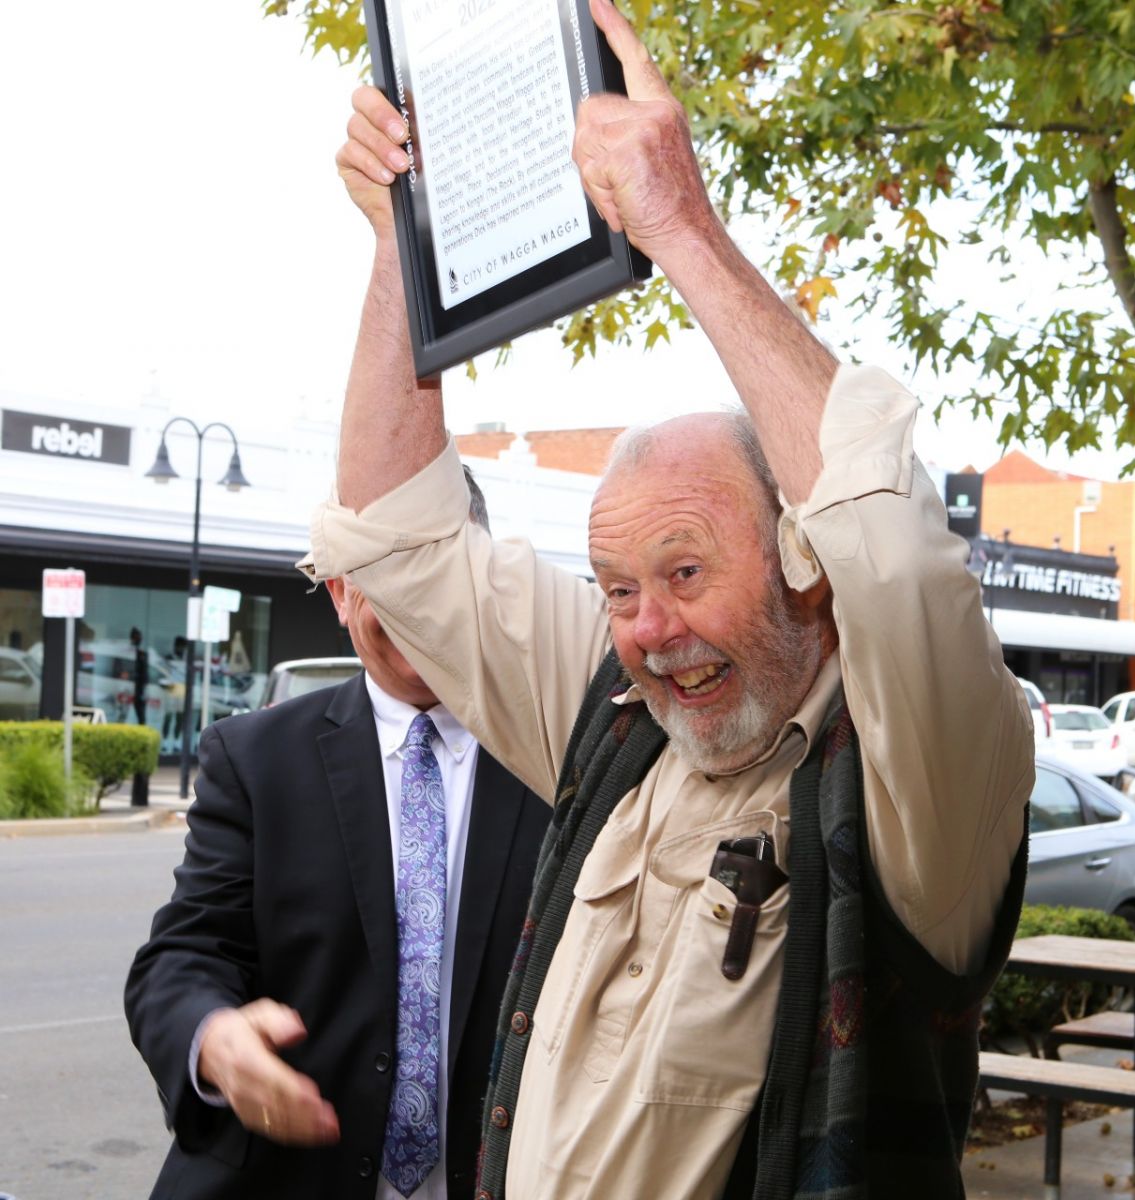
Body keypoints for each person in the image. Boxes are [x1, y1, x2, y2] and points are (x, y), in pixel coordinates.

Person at [308, 0, 1035, 1195]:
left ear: (803, 557)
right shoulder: (615, 724)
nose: (648, 630)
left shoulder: (925, 786)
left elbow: (892, 554)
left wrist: (679, 226)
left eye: (687, 572)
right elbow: (396, 535)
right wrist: (404, 239)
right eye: (617, 589)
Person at [125, 470, 551, 1200]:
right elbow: (184, 955)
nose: (418, 605)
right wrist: (217, 1039)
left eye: (438, 571)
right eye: (390, 578)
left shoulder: (556, 756)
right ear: (341, 592)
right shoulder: (254, 759)